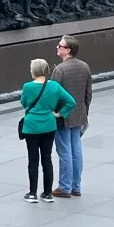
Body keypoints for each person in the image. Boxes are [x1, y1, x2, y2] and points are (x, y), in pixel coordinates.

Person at [19, 59, 76, 203]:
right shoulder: (55, 86)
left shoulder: (27, 86)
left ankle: (32, 193)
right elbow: (71, 102)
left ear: (34, 71)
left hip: (31, 127)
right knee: (47, 158)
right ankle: (47, 193)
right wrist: (59, 113)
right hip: (49, 126)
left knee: (33, 160)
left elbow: (24, 103)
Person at [51, 35, 93, 197]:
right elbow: (88, 93)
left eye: (60, 46)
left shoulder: (60, 70)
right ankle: (76, 185)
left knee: (64, 151)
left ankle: (65, 186)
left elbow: (53, 95)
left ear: (67, 50)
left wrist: (54, 114)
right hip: (79, 114)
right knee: (76, 149)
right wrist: (84, 112)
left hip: (62, 116)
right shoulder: (84, 67)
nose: (57, 47)